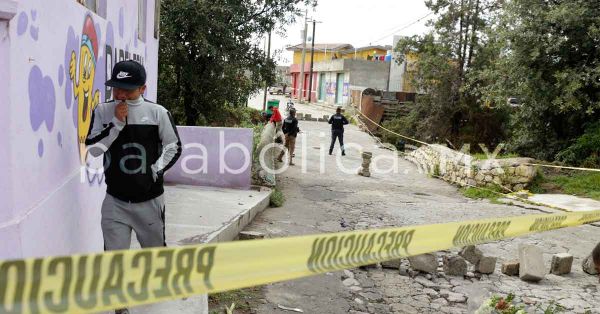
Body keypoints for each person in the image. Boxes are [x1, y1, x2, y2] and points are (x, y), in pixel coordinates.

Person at [85, 60, 182, 314]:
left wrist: (155, 170)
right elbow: (94, 148)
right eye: (117, 88)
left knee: (153, 251)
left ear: (143, 88)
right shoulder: (103, 111)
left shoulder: (158, 112)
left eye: (127, 89)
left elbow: (173, 145)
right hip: (115, 200)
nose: (121, 95)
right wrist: (116, 124)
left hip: (149, 200)